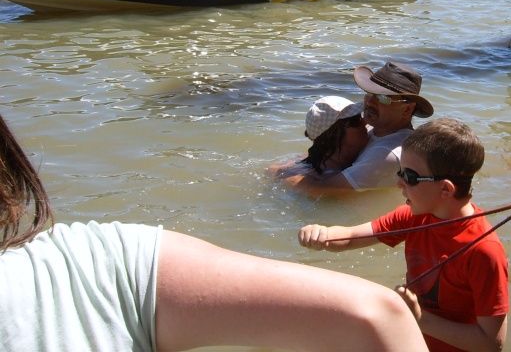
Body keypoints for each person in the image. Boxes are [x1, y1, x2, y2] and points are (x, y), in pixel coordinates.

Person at [0, 112, 427, 352]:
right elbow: (377, 311)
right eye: (357, 119)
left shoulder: (96, 260)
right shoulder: (96, 258)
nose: (365, 122)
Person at [299, 118, 509, 352]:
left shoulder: (483, 250)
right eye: (400, 172)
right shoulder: (413, 217)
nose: (399, 183)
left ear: (445, 189)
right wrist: (323, 234)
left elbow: (491, 343)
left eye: (409, 177)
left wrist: (420, 318)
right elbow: (349, 236)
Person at [295, 61, 435, 193]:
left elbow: (320, 190)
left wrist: (281, 173)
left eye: (383, 98)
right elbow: (324, 149)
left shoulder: (386, 154)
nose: (370, 102)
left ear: (407, 109)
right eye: (369, 93)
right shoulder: (372, 130)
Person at [269, 96, 369, 190]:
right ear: (333, 135)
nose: (365, 122)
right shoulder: (327, 179)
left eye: (360, 116)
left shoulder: (310, 158)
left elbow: (273, 169)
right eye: (355, 121)